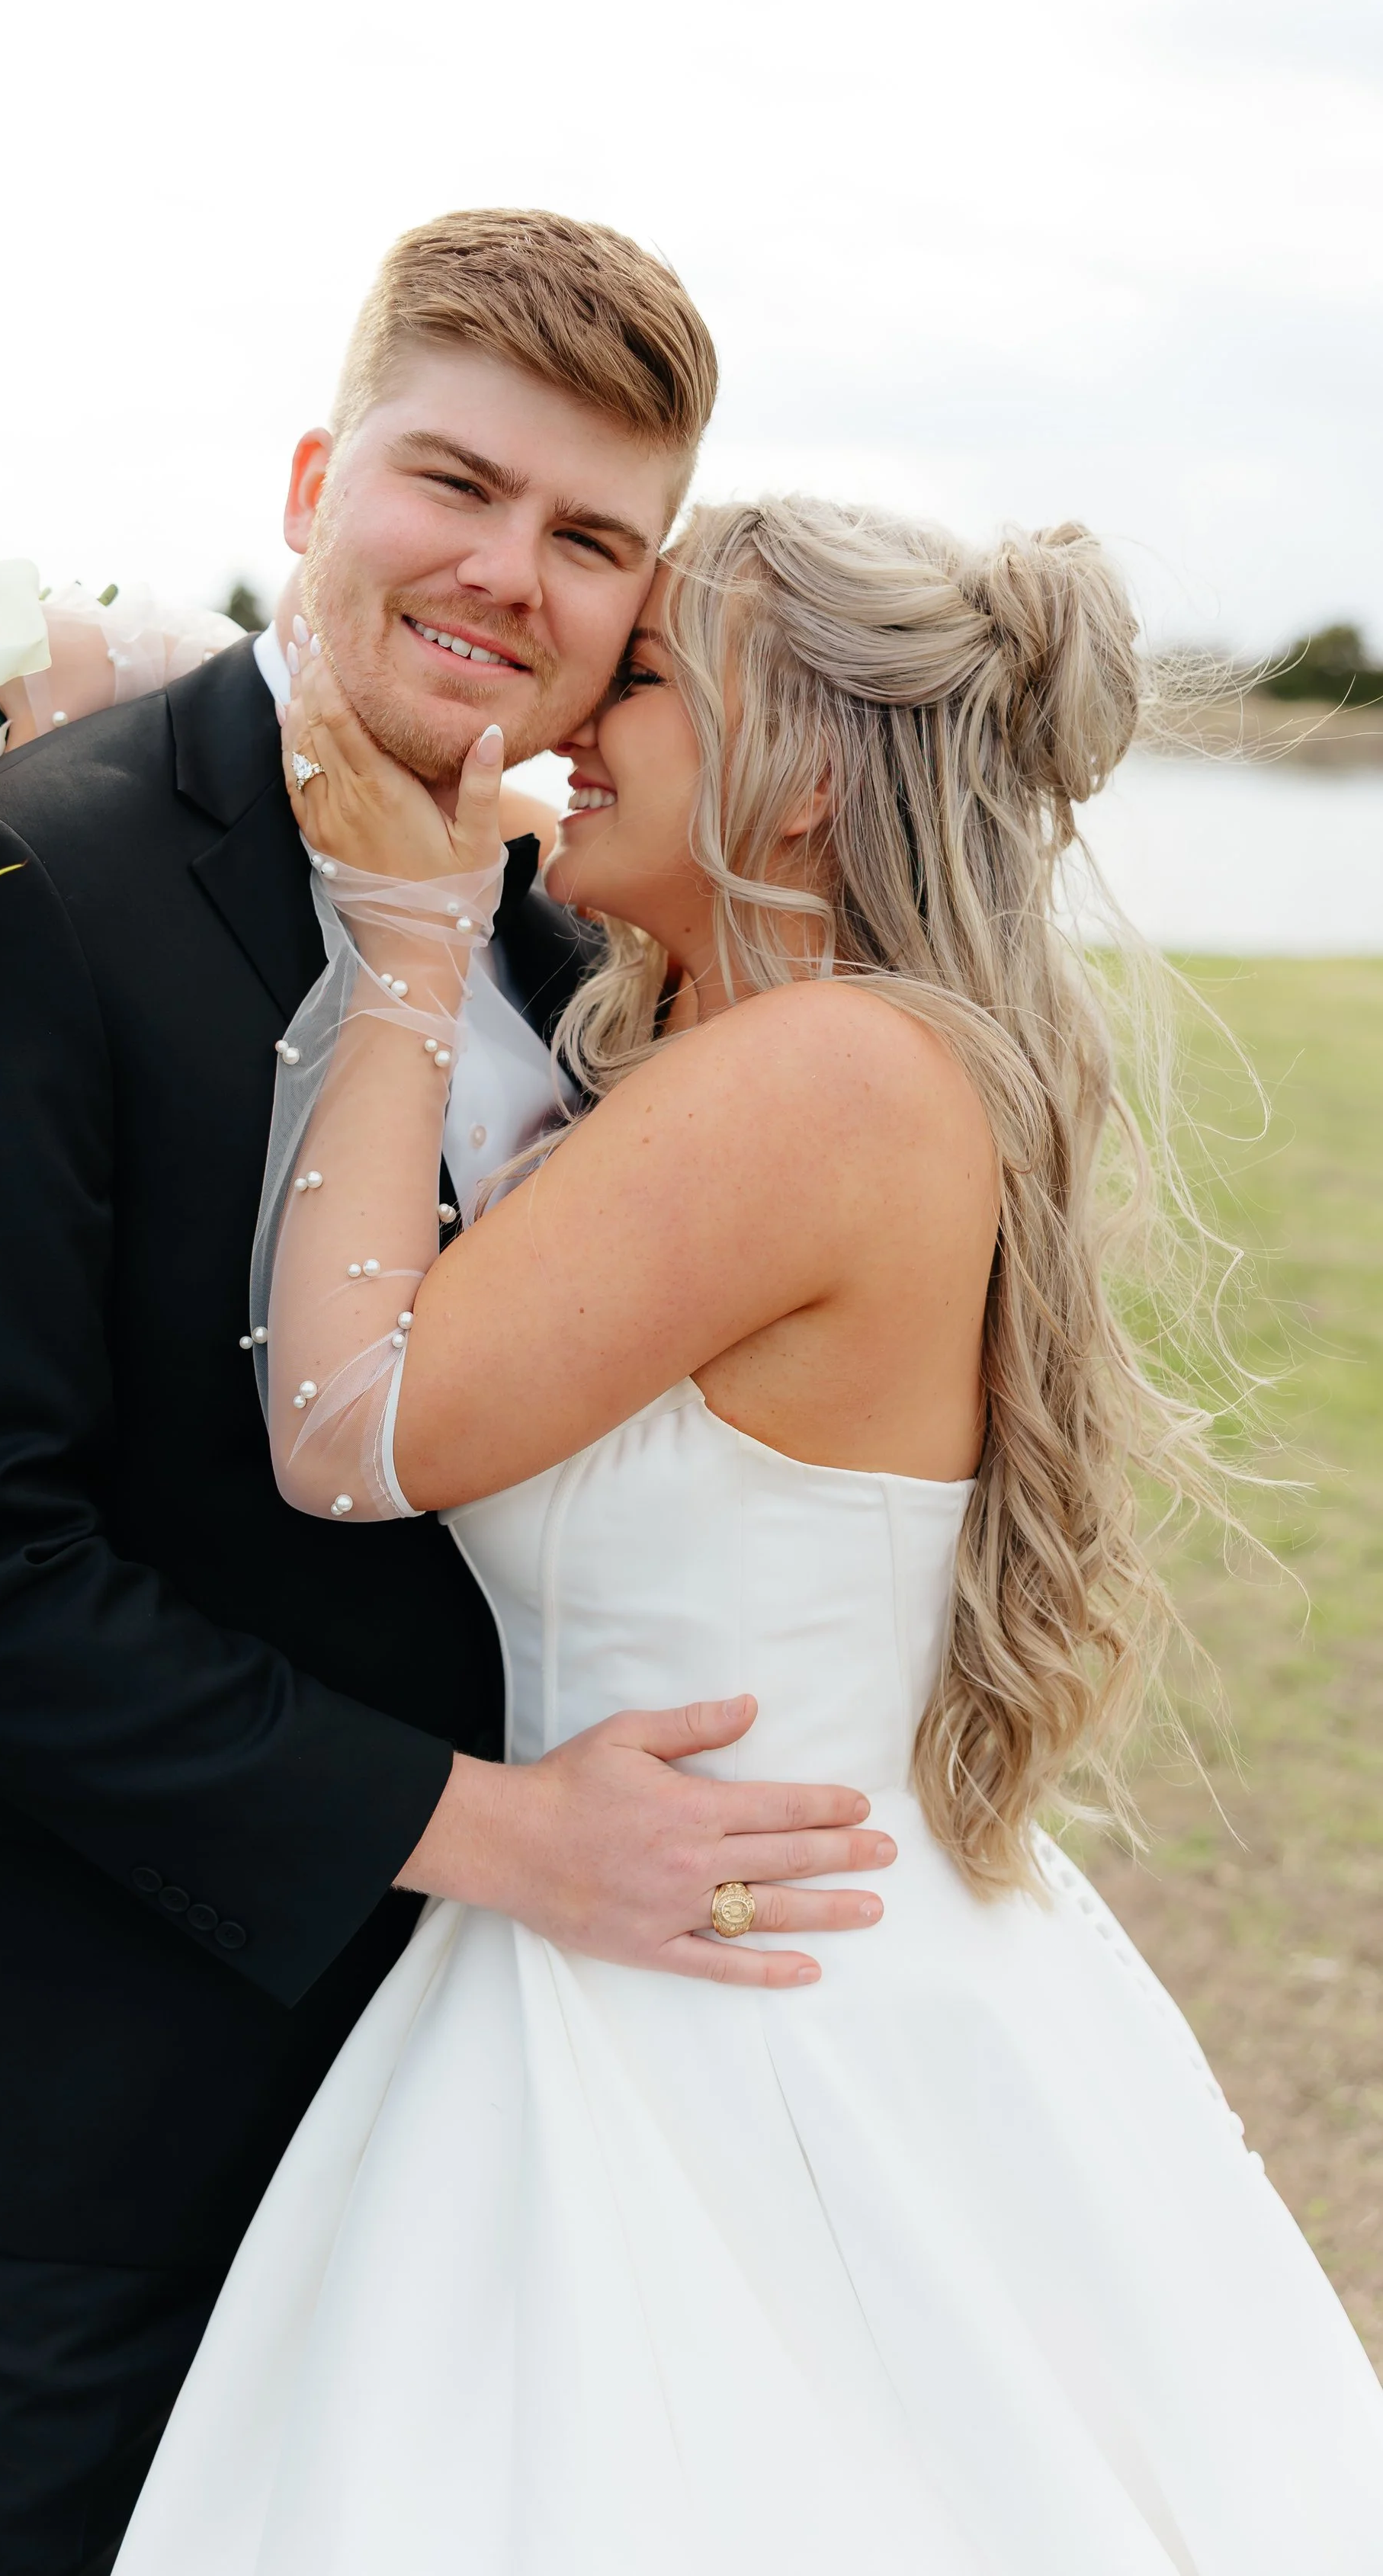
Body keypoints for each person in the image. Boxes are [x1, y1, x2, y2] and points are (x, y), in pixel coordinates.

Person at [0, 213, 897, 2574]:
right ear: (304, 477)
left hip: (469, 2088)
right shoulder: (11, 887)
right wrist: (499, 1828)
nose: (501, 576)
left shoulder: (576, 938)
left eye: (586, 538)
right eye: (450, 483)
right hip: (54, 2075)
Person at [114, 497, 1383, 2571]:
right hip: (681, 1928)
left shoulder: (822, 1079)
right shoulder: (740, 1047)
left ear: (795, 770)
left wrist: (409, 943)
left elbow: (353, 1422)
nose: (569, 708)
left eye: (636, 673)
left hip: (726, 2011)